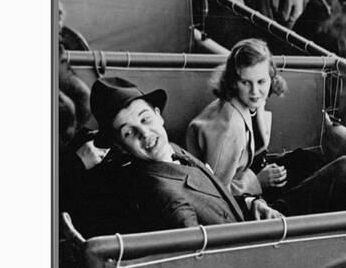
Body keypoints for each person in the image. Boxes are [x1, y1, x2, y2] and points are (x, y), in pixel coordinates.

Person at [186, 39, 346, 216]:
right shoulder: (230, 127)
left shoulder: (247, 101)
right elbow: (214, 197)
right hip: (256, 212)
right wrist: (257, 181)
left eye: (261, 81)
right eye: (246, 83)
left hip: (255, 180)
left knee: (307, 160)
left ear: (271, 78)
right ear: (233, 81)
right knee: (345, 170)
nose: (255, 91)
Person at [88, 76, 281, 233]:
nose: (144, 134)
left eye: (145, 119)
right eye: (128, 133)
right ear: (121, 145)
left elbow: (214, 200)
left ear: (158, 115)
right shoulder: (165, 198)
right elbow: (204, 262)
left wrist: (250, 203)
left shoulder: (172, 150)